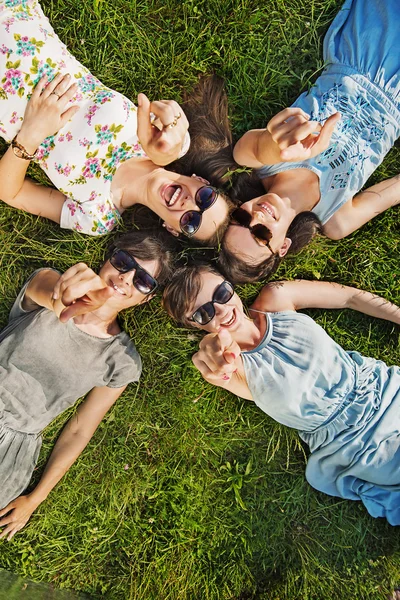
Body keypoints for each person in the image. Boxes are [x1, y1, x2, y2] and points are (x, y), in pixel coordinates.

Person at [163, 263, 400, 525]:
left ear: (230, 285)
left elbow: (349, 297)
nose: (221, 310)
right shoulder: (236, 369)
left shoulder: (276, 298)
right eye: (204, 313)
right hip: (355, 445)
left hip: (385, 389)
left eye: (221, 294)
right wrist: (215, 353)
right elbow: (216, 362)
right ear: (192, 324)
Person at [0, 0, 232, 244]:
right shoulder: (169, 143)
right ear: (201, 182)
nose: (190, 205)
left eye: (191, 222)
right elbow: (168, 126)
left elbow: (11, 192)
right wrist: (166, 138)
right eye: (205, 197)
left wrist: (30, 135)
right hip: (17, 18)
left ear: (172, 229)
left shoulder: (98, 217)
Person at [0, 228, 175, 540]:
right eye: (123, 262)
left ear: (147, 298)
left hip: (9, 447)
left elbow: (80, 430)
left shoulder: (121, 360)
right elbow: (55, 297)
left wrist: (35, 499)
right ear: (108, 260)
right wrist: (72, 303)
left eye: (142, 280)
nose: (125, 279)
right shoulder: (51, 284)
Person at [218, 0, 400, 283]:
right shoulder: (337, 219)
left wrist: (277, 146)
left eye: (241, 220)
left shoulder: (258, 160)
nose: (257, 218)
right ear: (282, 246)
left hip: (365, 49)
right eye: (260, 234)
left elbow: (256, 147)